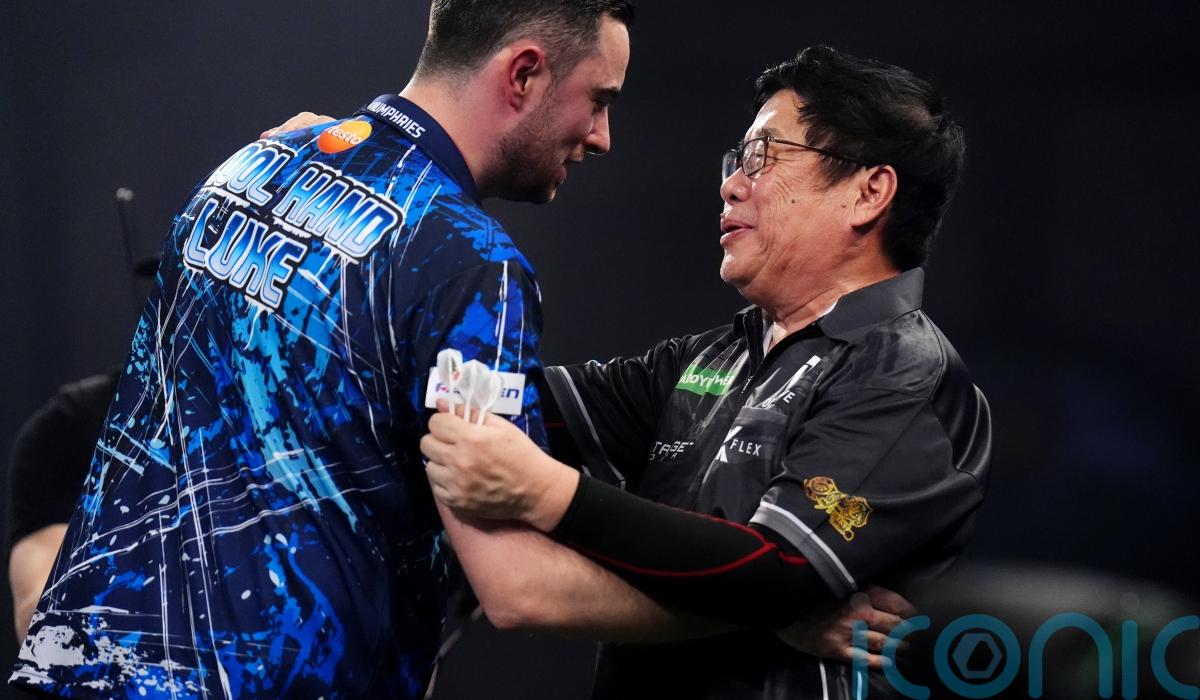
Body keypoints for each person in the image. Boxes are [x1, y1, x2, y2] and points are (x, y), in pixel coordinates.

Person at [10, 1, 632, 697]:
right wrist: (717, 607)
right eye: (599, 99)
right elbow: (516, 585)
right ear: (523, 73)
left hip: (83, 675)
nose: (602, 136)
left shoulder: (247, 167)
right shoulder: (474, 264)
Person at [420, 45, 991, 699]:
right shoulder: (710, 358)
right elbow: (506, 401)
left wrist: (547, 494)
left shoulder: (906, 376)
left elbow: (780, 571)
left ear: (868, 192)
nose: (731, 184)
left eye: (763, 156)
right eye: (736, 160)